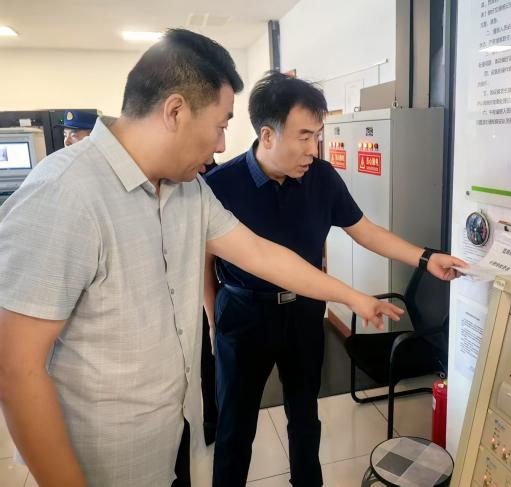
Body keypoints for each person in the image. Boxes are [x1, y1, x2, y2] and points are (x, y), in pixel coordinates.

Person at [0, 30, 402, 487]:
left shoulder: (188, 191)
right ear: (175, 111)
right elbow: (16, 370)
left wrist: (352, 297)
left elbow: (261, 254)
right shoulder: (65, 194)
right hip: (106, 460)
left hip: (174, 434)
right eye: (220, 125)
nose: (221, 144)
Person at [204, 71, 467, 487]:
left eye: (318, 135)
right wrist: (213, 318)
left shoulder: (321, 177)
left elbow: (366, 232)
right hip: (242, 313)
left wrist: (425, 257)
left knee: (305, 415)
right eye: (304, 136)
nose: (314, 149)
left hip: (305, 313)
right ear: (267, 135)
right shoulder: (220, 185)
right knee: (235, 425)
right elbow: (205, 259)